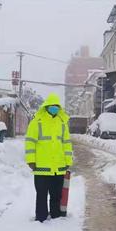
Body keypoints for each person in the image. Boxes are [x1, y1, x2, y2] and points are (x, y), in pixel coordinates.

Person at [24, 93, 73, 222]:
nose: (54, 109)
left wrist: (68, 161)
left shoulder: (62, 123)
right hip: (41, 166)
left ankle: (56, 216)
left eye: (56, 106)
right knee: (41, 194)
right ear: (46, 107)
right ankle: (41, 217)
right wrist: (31, 160)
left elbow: (66, 143)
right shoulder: (37, 122)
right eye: (52, 106)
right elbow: (30, 142)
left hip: (58, 166)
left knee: (56, 194)